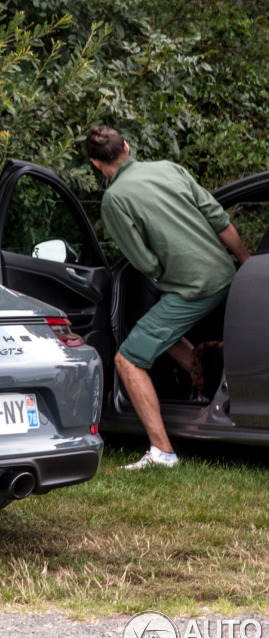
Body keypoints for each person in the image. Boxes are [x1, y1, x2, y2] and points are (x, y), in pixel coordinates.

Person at [85, 126, 251, 469]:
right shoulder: (169, 169)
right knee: (158, 328)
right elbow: (219, 219)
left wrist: (166, 271)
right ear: (127, 147)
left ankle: (162, 451)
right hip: (226, 275)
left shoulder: (114, 200)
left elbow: (143, 262)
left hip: (193, 290)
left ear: (96, 164)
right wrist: (248, 269)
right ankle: (202, 374)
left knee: (127, 360)